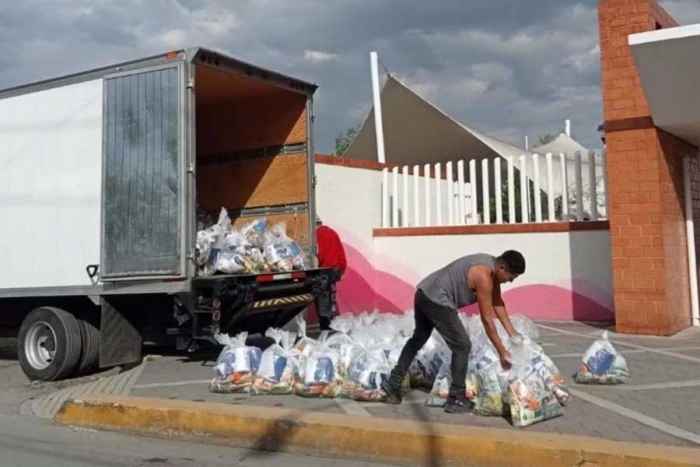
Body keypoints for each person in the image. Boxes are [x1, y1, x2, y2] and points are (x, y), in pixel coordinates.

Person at [381, 250, 526, 413]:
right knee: (462, 346)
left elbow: (497, 302)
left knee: (418, 338)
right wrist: (502, 352)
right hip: (438, 301)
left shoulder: (490, 265)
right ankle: (456, 398)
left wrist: (512, 333)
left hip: (424, 293)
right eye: (511, 277)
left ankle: (393, 384)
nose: (511, 281)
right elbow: (487, 320)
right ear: (501, 268)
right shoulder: (484, 277)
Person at [314, 217, 347, 330]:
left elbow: (319, 255)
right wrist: (342, 270)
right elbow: (341, 254)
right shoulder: (333, 233)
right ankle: (332, 322)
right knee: (329, 296)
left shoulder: (316, 235)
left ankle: (325, 326)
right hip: (335, 270)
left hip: (324, 270)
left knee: (322, 297)